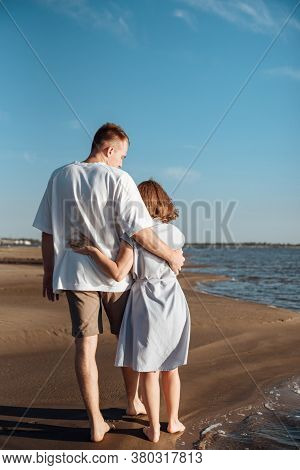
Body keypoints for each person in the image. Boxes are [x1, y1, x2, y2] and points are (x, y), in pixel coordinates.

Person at [32, 123, 185, 443]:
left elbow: (47, 231)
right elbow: (141, 233)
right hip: (116, 278)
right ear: (109, 149)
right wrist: (171, 255)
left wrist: (49, 272)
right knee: (126, 339)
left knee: (85, 346)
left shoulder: (60, 175)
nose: (123, 162)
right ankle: (132, 402)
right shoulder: (119, 179)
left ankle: (96, 421)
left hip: (73, 274)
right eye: (123, 156)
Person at [70, 180, 191, 443]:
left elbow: (118, 272)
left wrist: (92, 251)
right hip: (174, 299)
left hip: (146, 300)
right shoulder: (177, 234)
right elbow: (177, 263)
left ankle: (154, 429)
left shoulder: (132, 235)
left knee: (149, 367)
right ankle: (172, 421)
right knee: (171, 366)